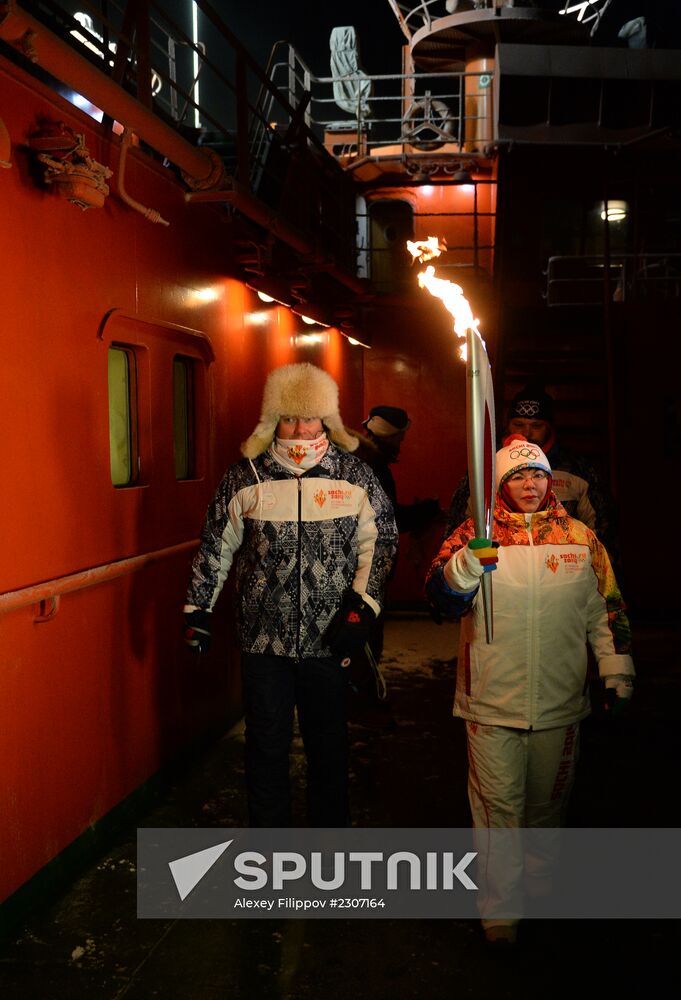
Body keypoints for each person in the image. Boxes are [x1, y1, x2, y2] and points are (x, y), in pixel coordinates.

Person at [426, 433, 634, 945]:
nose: (529, 484)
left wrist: (615, 669)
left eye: (537, 473)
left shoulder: (581, 539)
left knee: (546, 802)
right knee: (499, 807)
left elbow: (605, 610)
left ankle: (539, 882)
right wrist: (468, 565)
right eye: (516, 476)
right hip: (491, 700)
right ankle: (501, 909)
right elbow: (439, 603)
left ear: (550, 479)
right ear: (499, 484)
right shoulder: (477, 534)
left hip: (561, 701)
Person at [183, 363, 398, 828]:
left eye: (310, 417)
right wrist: (199, 609)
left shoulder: (355, 476)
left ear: (328, 421)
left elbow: (380, 543)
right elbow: (216, 545)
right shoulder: (246, 479)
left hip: (330, 640)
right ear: (271, 422)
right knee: (265, 747)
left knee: (328, 748)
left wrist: (363, 607)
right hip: (264, 643)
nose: (300, 429)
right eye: (288, 418)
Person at [444, 383, 618, 561]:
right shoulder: (486, 466)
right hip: (500, 567)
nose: (526, 432)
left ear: (549, 427)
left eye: (536, 426)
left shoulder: (577, 469)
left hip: (558, 567)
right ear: (507, 425)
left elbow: (603, 533)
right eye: (518, 424)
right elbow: (459, 525)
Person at [350, 405, 441, 712]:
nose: (401, 445)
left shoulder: (362, 459)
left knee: (361, 635)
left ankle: (362, 699)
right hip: (365, 569)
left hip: (363, 566)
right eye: (400, 439)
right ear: (392, 436)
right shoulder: (371, 466)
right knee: (364, 637)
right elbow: (385, 519)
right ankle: (364, 703)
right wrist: (425, 512)